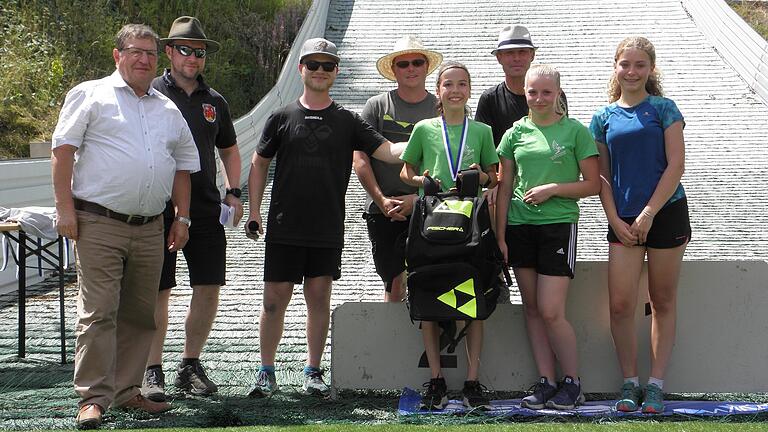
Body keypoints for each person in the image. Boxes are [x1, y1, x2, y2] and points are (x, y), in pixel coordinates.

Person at [51, 24, 200, 429]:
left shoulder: (167, 109)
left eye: (151, 53)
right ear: (117, 56)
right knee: (99, 313)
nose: (144, 60)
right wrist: (64, 209)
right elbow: (62, 151)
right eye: (136, 51)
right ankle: (93, 398)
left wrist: (181, 217)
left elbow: (183, 168)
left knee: (139, 313)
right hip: (98, 222)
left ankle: (128, 390)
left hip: (152, 227)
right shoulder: (90, 94)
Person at [245, 38, 406, 398]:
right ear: (301, 69)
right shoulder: (281, 116)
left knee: (318, 299)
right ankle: (265, 372)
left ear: (336, 72)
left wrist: (433, 136)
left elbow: (389, 152)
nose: (320, 71)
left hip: (326, 227)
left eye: (327, 66)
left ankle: (313, 372)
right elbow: (258, 164)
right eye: (313, 65)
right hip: (285, 226)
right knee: (274, 300)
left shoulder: (348, 121)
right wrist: (254, 211)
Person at [140, 16, 242, 402]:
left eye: (199, 52)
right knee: (158, 290)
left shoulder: (215, 102)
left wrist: (233, 190)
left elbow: (229, 149)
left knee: (209, 286)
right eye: (185, 50)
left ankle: (190, 363)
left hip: (204, 205)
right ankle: (153, 369)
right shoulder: (148, 93)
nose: (192, 58)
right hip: (157, 206)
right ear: (169, 52)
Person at [589, 36, 690, 414]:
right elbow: (602, 176)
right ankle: (630, 383)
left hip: (666, 213)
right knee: (619, 306)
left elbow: (676, 165)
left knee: (661, 301)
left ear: (650, 69)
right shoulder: (602, 118)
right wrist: (614, 218)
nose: (631, 72)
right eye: (625, 64)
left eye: (639, 65)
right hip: (622, 220)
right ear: (615, 67)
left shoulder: (664, 109)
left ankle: (656, 385)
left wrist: (649, 212)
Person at [494, 65, 599, 410]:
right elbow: (505, 186)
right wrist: (501, 233)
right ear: (524, 92)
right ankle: (546, 381)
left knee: (553, 311)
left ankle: (573, 382)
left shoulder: (575, 132)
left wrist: (554, 189)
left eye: (546, 92)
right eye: (532, 92)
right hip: (520, 228)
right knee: (533, 310)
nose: (539, 99)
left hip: (558, 225)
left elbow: (593, 184)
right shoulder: (513, 134)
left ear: (558, 93)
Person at [400, 61, 499, 410]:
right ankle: (437, 379)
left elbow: (494, 175)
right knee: (428, 297)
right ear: (439, 91)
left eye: (461, 84)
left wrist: (480, 178)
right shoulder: (425, 128)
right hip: (431, 222)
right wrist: (420, 181)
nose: (455, 90)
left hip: (468, 224)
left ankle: (472, 380)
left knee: (470, 299)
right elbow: (406, 169)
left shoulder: (482, 131)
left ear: (469, 90)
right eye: (448, 85)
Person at [353, 35, 442, 302]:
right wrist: (380, 200)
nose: (411, 68)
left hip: (431, 206)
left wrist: (420, 199)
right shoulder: (376, 106)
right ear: (394, 70)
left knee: (431, 280)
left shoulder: (442, 107)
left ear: (427, 67)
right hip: (385, 209)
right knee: (392, 284)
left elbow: (453, 163)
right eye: (403, 64)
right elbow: (360, 159)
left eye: (417, 62)